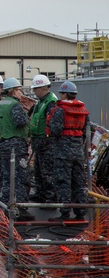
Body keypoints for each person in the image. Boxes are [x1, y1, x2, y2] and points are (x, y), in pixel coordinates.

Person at [45, 80, 90, 221]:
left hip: (62, 152)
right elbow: (86, 130)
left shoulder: (60, 111)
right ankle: (80, 211)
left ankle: (64, 213)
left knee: (63, 181)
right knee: (78, 181)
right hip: (78, 152)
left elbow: (55, 130)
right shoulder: (83, 111)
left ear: (64, 94)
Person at [0, 77, 34, 220]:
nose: (20, 93)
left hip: (3, 143)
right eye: (18, 90)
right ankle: (22, 209)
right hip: (17, 145)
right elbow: (20, 122)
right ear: (12, 91)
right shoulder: (15, 105)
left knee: (6, 176)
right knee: (22, 176)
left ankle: (4, 206)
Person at [26, 74, 57, 203]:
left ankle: (50, 196)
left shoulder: (51, 102)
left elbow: (51, 122)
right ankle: (40, 193)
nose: (34, 91)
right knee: (38, 170)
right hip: (38, 142)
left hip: (47, 143)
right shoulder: (40, 102)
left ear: (43, 88)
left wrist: (46, 138)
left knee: (47, 171)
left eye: (35, 89)